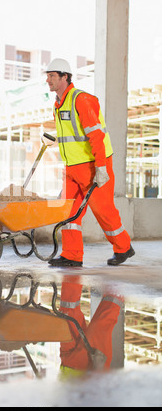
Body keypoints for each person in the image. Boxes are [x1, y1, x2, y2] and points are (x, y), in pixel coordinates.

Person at [45, 58, 135, 267]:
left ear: (64, 77)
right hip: (72, 167)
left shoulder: (81, 100)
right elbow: (71, 136)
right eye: (47, 76)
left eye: (51, 76)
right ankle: (72, 255)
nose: (48, 80)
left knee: (103, 210)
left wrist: (101, 167)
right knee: (68, 210)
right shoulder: (58, 104)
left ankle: (123, 248)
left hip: (93, 165)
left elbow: (96, 136)